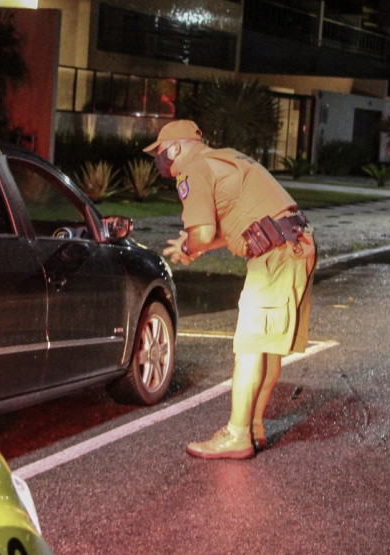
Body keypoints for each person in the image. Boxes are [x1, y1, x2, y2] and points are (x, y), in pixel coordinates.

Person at [144, 120, 317, 460]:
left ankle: (237, 435)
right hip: (294, 243)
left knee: (251, 345)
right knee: (267, 347)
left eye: (161, 153)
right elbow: (238, 229)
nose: (161, 162)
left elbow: (204, 232)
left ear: (176, 148)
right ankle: (253, 428)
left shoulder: (192, 171)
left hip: (275, 256)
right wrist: (197, 246)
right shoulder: (227, 158)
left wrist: (192, 246)